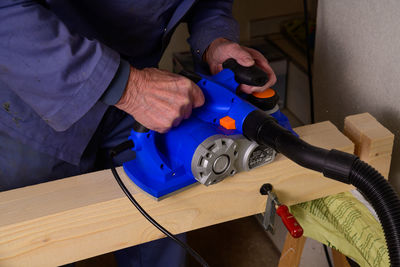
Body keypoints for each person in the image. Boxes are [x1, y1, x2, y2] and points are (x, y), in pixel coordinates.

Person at [0, 0, 276, 266]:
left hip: (143, 91)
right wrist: (129, 88)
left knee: (162, 218)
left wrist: (215, 41)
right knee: (39, 243)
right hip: (36, 99)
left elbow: (208, 3)